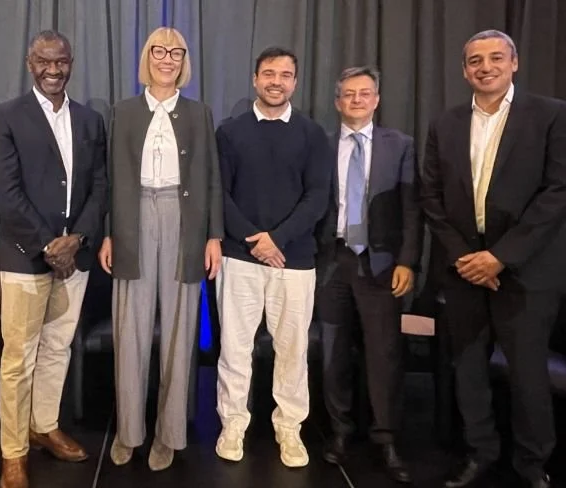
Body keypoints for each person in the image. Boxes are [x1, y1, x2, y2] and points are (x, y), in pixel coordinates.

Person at [419, 29, 566, 488]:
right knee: (469, 371)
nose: (486, 67)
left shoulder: (551, 115)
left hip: (524, 271)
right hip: (463, 270)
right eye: (475, 60)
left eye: (495, 58)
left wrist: (500, 257)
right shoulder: (444, 123)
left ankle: (531, 463)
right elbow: (432, 197)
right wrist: (468, 257)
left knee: (527, 375)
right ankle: (480, 453)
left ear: (514, 62)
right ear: (464, 70)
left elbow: (556, 193)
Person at [0, 30, 107, 488]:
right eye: (43, 61)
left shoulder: (91, 120)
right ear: (28, 62)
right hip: (24, 258)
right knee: (18, 358)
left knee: (57, 348)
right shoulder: (5, 117)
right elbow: (5, 192)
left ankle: (44, 425)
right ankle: (13, 451)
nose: (52, 70)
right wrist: (47, 246)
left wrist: (76, 238)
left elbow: (101, 185)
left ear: (71, 62)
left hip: (76, 256)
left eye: (61, 62)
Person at [98, 26, 223, 472]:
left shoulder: (199, 113)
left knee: (179, 331)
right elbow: (110, 178)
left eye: (176, 52)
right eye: (158, 50)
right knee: (128, 330)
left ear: (185, 60)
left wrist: (214, 236)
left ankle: (169, 435)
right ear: (146, 56)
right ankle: (130, 433)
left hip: (183, 221)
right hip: (132, 220)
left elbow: (211, 178)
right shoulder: (122, 112)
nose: (167, 59)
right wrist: (110, 231)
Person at [214, 46, 333, 468]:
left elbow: (318, 196)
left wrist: (276, 239)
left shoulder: (313, 134)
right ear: (254, 79)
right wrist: (253, 239)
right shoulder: (229, 132)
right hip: (239, 258)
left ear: (295, 82)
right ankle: (233, 423)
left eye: (285, 75)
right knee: (234, 347)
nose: (276, 81)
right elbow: (219, 195)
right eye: (269, 73)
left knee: (292, 350)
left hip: (294, 259)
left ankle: (290, 428)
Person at [315, 66, 421, 484]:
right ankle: (340, 432)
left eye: (365, 93)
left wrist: (408, 260)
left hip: (381, 265)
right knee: (333, 352)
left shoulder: (402, 145)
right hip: (331, 262)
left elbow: (413, 209)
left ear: (377, 99)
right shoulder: (320, 145)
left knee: (384, 355)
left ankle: (386, 437)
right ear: (337, 101)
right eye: (348, 94)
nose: (356, 100)